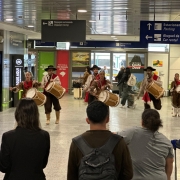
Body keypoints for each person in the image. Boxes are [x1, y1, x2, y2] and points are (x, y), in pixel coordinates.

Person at [67, 101, 133, 180]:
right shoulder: (119, 142)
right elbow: (128, 174)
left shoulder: (76, 143)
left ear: (87, 120)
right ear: (107, 119)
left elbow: (71, 175)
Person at [0, 98, 50, 180]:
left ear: (17, 114)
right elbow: (43, 164)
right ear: (36, 115)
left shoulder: (8, 137)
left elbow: (3, 167)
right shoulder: (44, 135)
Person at [118, 109, 174, 180]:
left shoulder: (132, 133)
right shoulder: (166, 141)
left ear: (142, 122)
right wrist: (168, 178)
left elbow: (113, 138)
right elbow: (170, 162)